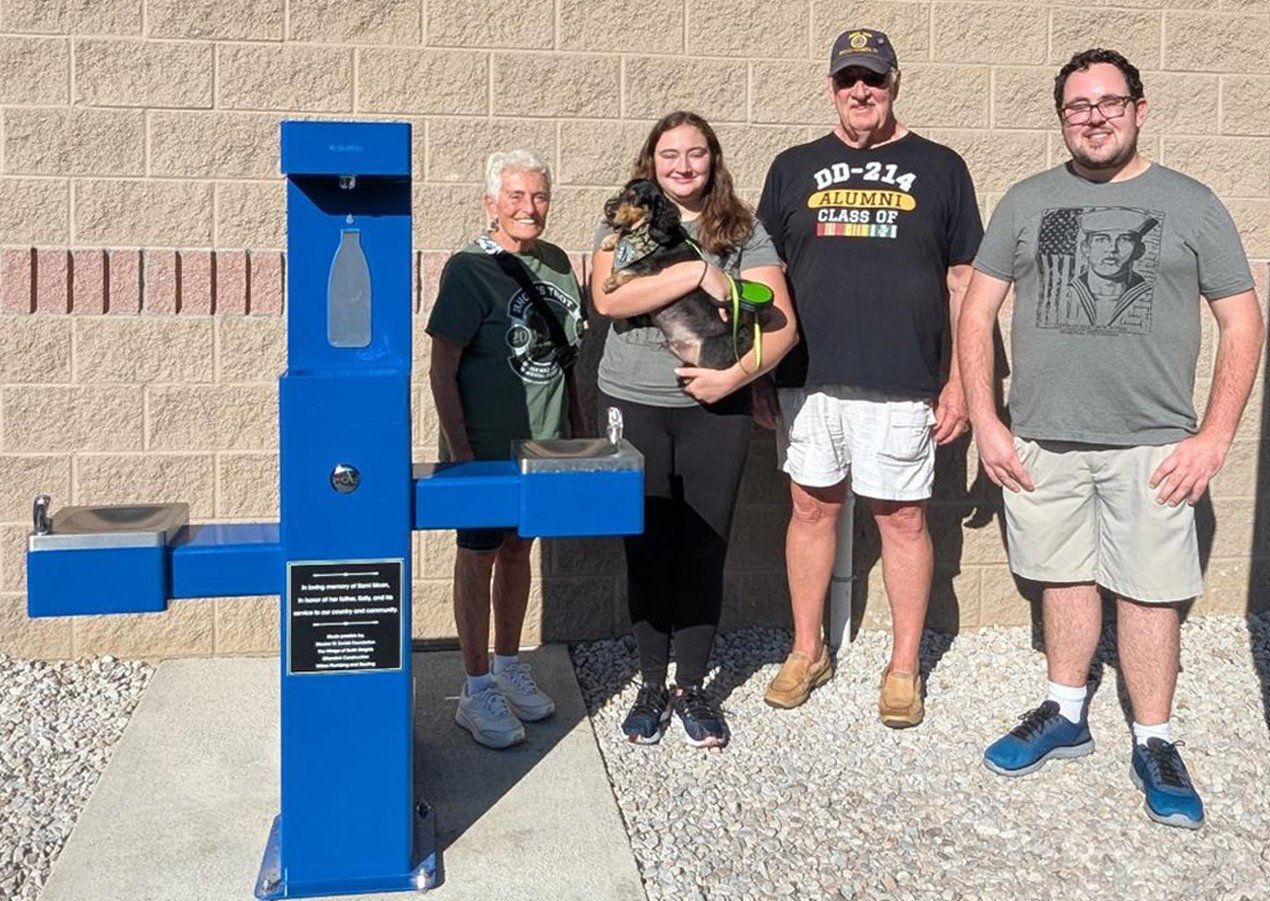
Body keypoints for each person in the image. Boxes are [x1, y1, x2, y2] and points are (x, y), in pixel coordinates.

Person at [958, 48, 1264, 829]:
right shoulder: (1027, 201)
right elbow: (976, 312)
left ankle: (1154, 737)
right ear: (1063, 117)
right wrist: (987, 420)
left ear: (1139, 108)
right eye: (1078, 106)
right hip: (1042, 438)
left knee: (1151, 590)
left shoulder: (1191, 204)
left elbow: (1242, 321)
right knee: (1061, 576)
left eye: (1109, 102)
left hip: (1153, 444)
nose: (1094, 118)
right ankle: (1065, 711)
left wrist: (1214, 436)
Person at [755, 28, 982, 726]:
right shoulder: (793, 167)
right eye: (848, 79)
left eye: (873, 79)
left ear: (894, 84)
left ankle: (904, 665)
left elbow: (965, 283)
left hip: (904, 376)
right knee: (809, 509)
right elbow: (762, 281)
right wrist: (759, 373)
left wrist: (961, 381)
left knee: (904, 518)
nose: (861, 91)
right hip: (810, 376)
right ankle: (807, 649)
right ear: (831, 87)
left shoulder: (941, 166)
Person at [590, 111, 798, 748]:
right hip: (633, 400)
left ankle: (691, 686)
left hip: (715, 407)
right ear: (651, 163)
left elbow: (782, 325)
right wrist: (694, 273)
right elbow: (607, 299)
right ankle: (650, 684)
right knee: (646, 544)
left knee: (706, 546)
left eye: (696, 154)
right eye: (670, 155)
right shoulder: (623, 221)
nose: (683, 166)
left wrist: (733, 379)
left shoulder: (741, 229)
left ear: (714, 160)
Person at [427, 149, 586, 749]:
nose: (529, 207)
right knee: (479, 554)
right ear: (491, 203)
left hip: (543, 447)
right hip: (485, 448)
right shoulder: (468, 270)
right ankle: (475, 689)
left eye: (539, 196)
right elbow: (442, 369)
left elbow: (568, 363)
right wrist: (463, 453)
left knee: (519, 550)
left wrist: (579, 438)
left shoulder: (558, 264)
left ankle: (508, 664)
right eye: (516, 196)